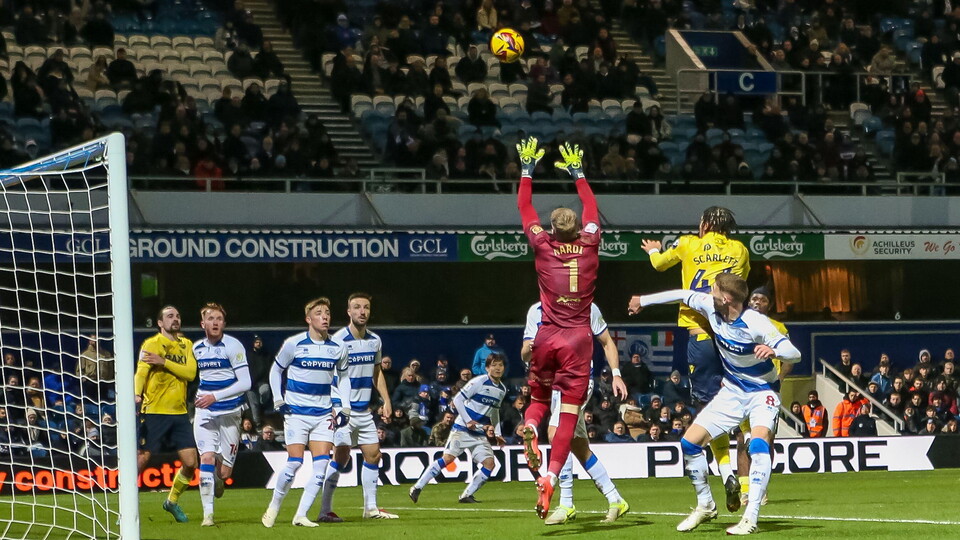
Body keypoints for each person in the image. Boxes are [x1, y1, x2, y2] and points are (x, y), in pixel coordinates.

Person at [628, 273, 801, 535]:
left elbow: (795, 353)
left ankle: (750, 517)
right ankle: (705, 505)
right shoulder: (711, 305)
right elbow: (681, 294)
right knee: (689, 443)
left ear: (726, 298)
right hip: (732, 390)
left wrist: (774, 350)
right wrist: (644, 300)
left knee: (757, 445)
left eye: (714, 289)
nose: (710, 292)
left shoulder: (755, 322)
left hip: (762, 392)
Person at [638, 206, 750, 512]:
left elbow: (660, 266)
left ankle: (726, 471)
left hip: (700, 333)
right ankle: (745, 442)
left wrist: (654, 250)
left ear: (704, 224)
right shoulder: (739, 250)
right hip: (730, 336)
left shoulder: (688, 243)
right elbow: (738, 288)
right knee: (738, 393)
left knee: (706, 407)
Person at [515, 137, 602, 519]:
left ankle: (531, 426)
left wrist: (527, 170)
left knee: (537, 399)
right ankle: (551, 476)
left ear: (551, 228)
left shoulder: (542, 244)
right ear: (579, 227)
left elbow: (524, 207)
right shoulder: (591, 242)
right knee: (567, 415)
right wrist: (578, 173)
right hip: (578, 341)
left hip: (546, 335)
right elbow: (593, 207)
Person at [521, 301, 629, 524]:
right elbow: (524, 355)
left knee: (556, 433)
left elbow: (607, 341)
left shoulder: (587, 308)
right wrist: (531, 348)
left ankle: (566, 504)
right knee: (577, 444)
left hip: (576, 380)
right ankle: (615, 498)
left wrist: (616, 373)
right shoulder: (536, 311)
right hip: (550, 381)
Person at [261, 298, 351, 528]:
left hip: (323, 415)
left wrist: (345, 407)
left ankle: (301, 515)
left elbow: (343, 378)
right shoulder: (294, 343)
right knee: (294, 463)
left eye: (328, 312)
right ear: (308, 319)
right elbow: (275, 371)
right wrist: (279, 399)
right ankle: (274, 506)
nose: (325, 316)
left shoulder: (338, 348)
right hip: (297, 413)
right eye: (319, 313)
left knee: (321, 466)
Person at [317, 293, 398, 522]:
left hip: (364, 411)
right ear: (349, 312)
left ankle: (370, 508)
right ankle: (325, 510)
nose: (362, 311)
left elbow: (376, 371)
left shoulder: (375, 340)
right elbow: (327, 375)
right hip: (343, 410)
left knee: (373, 455)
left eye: (366, 308)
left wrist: (386, 400)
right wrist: (333, 407)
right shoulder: (337, 340)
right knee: (341, 455)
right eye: (357, 307)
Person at [409, 354, 507, 504]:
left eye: (500, 365)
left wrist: (498, 433)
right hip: (461, 429)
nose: (498, 368)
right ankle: (417, 487)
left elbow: (494, 411)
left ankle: (466, 495)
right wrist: (468, 421)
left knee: (489, 463)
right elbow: (457, 400)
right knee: (448, 459)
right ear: (487, 368)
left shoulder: (502, 389)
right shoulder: (478, 382)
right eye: (494, 365)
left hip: (479, 433)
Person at [135, 305, 198, 523]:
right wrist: (136, 394)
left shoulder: (187, 344)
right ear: (160, 323)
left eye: (178, 316)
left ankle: (171, 501)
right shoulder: (151, 344)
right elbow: (141, 372)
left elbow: (190, 374)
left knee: (191, 463)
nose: (175, 319)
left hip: (179, 413)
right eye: (170, 316)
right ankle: (126, 510)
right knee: (142, 458)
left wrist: (164, 362)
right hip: (154, 411)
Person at [191, 303, 251, 527]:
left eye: (219, 319)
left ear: (224, 323)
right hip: (205, 411)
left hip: (230, 413)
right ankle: (208, 515)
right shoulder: (197, 348)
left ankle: (217, 477)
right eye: (211, 319)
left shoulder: (233, 346)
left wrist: (215, 396)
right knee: (205, 458)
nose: (215, 322)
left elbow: (246, 382)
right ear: (203, 324)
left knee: (224, 473)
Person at [735, 287, 791, 505]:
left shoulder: (777, 328)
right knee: (742, 440)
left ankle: (762, 487)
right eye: (754, 298)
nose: (757, 302)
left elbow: (788, 358)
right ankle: (745, 490)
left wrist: (780, 379)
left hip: (768, 391)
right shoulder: (738, 324)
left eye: (762, 299)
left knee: (766, 440)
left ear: (770, 304)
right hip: (742, 389)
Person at [245, 335, 272, 426]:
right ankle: (257, 423)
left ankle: (263, 404)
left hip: (262, 382)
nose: (258, 344)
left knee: (265, 391)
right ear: (253, 344)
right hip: (251, 384)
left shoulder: (267, 355)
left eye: (260, 342)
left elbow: (269, 370)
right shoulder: (248, 355)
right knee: (254, 404)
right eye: (256, 342)